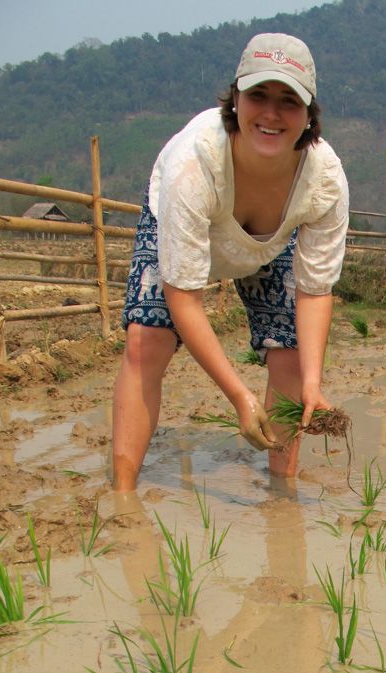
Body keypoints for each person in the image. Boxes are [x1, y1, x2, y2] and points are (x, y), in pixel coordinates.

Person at [112, 33, 349, 491]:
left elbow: (315, 289)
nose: (271, 114)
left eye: (289, 101)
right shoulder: (194, 163)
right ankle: (123, 496)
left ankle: (281, 493)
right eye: (258, 95)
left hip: (270, 243)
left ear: (308, 115)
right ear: (235, 99)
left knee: (291, 354)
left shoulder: (324, 180)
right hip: (189, 229)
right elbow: (183, 295)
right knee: (147, 341)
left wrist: (313, 384)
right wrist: (239, 396)